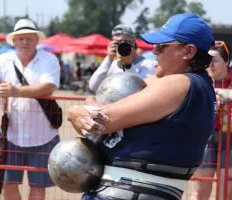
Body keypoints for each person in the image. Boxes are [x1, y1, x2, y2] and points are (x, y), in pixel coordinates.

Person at [68, 13, 216, 200]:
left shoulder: (180, 83)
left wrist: (78, 110)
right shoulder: (200, 85)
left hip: (124, 193)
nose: (154, 51)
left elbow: (101, 121)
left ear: (188, 51)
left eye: (162, 46)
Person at [0, 18, 60, 200]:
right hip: (11, 135)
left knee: (38, 187)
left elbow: (47, 87)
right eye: (21, 38)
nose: (25, 42)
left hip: (43, 135)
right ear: (14, 40)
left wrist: (16, 91)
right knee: (8, 185)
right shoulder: (2, 60)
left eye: (29, 38)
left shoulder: (49, 59)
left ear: (36, 40)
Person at [192, 41, 232, 200]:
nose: (210, 64)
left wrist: (219, 92)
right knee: (200, 190)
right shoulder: (201, 78)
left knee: (225, 193)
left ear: (226, 62)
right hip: (206, 137)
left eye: (215, 60)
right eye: (208, 60)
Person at [88, 24, 156, 93]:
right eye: (117, 43)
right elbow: (94, 87)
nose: (122, 46)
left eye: (125, 42)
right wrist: (108, 58)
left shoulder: (147, 64)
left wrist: (128, 66)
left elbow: (144, 90)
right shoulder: (113, 64)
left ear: (133, 42)